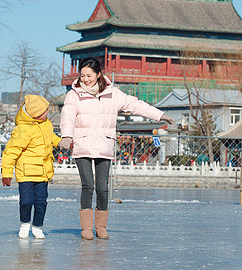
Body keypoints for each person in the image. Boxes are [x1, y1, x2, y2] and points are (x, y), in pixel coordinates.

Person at [58, 57, 174, 240]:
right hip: (82, 143)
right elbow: (68, 115)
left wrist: (160, 115)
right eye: (82, 76)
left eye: (89, 75)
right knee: (88, 186)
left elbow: (135, 105)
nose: (85, 79)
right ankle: (87, 227)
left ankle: (101, 227)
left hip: (104, 143)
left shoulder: (113, 94)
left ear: (98, 74)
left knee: (103, 188)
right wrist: (66, 135)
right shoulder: (74, 94)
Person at [1, 95, 61, 239]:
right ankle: (24, 224)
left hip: (43, 172)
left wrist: (61, 142)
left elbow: (50, 138)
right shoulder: (22, 130)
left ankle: (37, 226)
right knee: (26, 201)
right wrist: (7, 173)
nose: (47, 112)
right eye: (45, 110)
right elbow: (11, 151)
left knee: (41, 202)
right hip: (26, 172)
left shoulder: (46, 124)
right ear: (35, 114)